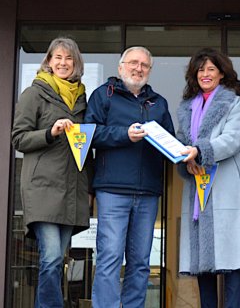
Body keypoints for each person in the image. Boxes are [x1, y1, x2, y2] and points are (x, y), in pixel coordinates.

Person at [84, 46, 174, 308]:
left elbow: (169, 143)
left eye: (144, 65)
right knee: (110, 257)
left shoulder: (159, 103)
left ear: (149, 70)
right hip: (112, 190)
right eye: (133, 63)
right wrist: (125, 134)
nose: (138, 68)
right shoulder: (104, 95)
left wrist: (183, 153)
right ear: (121, 66)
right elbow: (89, 135)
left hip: (147, 192)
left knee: (141, 262)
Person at [12, 37, 91, 308]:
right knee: (52, 258)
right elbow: (19, 139)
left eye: (69, 58)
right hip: (42, 188)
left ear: (76, 64)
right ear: (48, 62)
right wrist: (50, 132)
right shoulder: (34, 93)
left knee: (60, 259)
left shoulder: (81, 98)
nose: (63, 63)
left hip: (71, 190)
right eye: (57, 57)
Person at [176, 48, 240, 308]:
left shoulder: (235, 102)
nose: (205, 74)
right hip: (197, 188)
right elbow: (180, 142)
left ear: (222, 74)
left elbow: (232, 139)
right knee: (203, 265)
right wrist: (184, 159)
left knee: (232, 263)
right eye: (201, 69)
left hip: (227, 188)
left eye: (211, 69)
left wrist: (200, 151)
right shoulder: (186, 107)